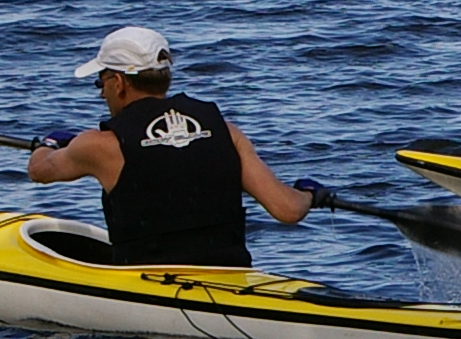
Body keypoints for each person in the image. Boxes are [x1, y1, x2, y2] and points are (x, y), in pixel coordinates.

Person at [25, 26, 319, 266]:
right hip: (228, 276)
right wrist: (308, 193)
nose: (102, 94)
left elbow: (39, 171)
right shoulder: (227, 132)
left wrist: (48, 143)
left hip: (145, 285)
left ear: (118, 83)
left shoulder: (99, 145)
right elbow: (288, 210)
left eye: (100, 83)